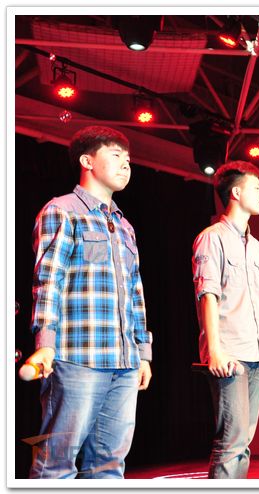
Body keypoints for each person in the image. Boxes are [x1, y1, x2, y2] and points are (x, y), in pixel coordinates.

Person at [25, 126, 153, 478]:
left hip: (124, 362)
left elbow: (136, 291)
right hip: (78, 357)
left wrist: (142, 352)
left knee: (110, 465)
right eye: (116, 155)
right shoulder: (62, 210)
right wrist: (45, 343)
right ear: (87, 161)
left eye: (128, 160)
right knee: (56, 463)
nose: (125, 164)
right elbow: (48, 280)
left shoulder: (125, 226)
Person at [192, 160, 259, 479]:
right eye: (257, 188)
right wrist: (214, 350)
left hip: (257, 353)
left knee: (244, 441)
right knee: (231, 441)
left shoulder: (258, 249)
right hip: (229, 353)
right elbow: (208, 295)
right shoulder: (211, 238)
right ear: (236, 192)